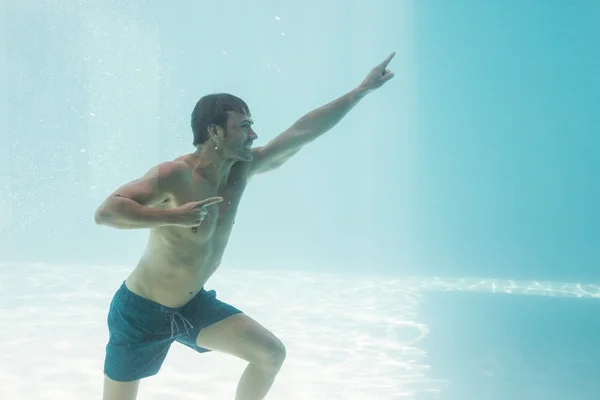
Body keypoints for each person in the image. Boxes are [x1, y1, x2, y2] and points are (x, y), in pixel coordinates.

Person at [94, 52, 396, 400]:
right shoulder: (176, 175)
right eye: (244, 126)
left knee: (270, 354)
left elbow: (301, 132)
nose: (254, 134)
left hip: (192, 308)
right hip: (141, 313)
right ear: (215, 132)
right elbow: (108, 212)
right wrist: (173, 216)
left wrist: (360, 91)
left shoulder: (241, 171)